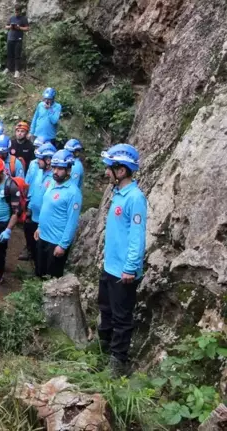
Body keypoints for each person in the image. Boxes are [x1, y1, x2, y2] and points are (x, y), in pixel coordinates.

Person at [98, 144, 147, 378]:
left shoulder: (135, 198)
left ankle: (118, 361)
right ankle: (104, 348)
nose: (107, 172)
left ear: (122, 170)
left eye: (111, 168)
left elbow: (137, 236)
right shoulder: (117, 193)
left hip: (123, 272)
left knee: (122, 317)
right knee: (106, 310)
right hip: (110, 267)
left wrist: (130, 268)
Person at [34, 150, 82, 278]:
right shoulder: (52, 184)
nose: (55, 171)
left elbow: (72, 222)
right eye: (54, 167)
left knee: (52, 278)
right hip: (43, 236)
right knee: (39, 273)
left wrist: (63, 245)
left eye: (60, 169)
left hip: (56, 242)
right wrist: (39, 227)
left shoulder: (73, 193)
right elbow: (46, 207)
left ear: (68, 170)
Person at [26, 143, 57, 267]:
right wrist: (29, 207)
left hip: (44, 221)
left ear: (48, 160)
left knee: (41, 249)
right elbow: (34, 190)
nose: (37, 161)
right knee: (32, 242)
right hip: (34, 214)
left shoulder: (54, 179)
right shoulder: (39, 172)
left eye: (40, 159)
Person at [4, 5, 29, 78]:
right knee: (9, 55)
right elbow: (6, 26)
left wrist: (19, 27)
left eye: (17, 12)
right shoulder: (11, 18)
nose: (16, 13)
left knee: (17, 55)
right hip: (10, 38)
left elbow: (27, 28)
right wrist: (10, 27)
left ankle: (17, 71)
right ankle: (8, 68)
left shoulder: (23, 19)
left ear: (20, 12)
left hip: (18, 39)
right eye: (15, 12)